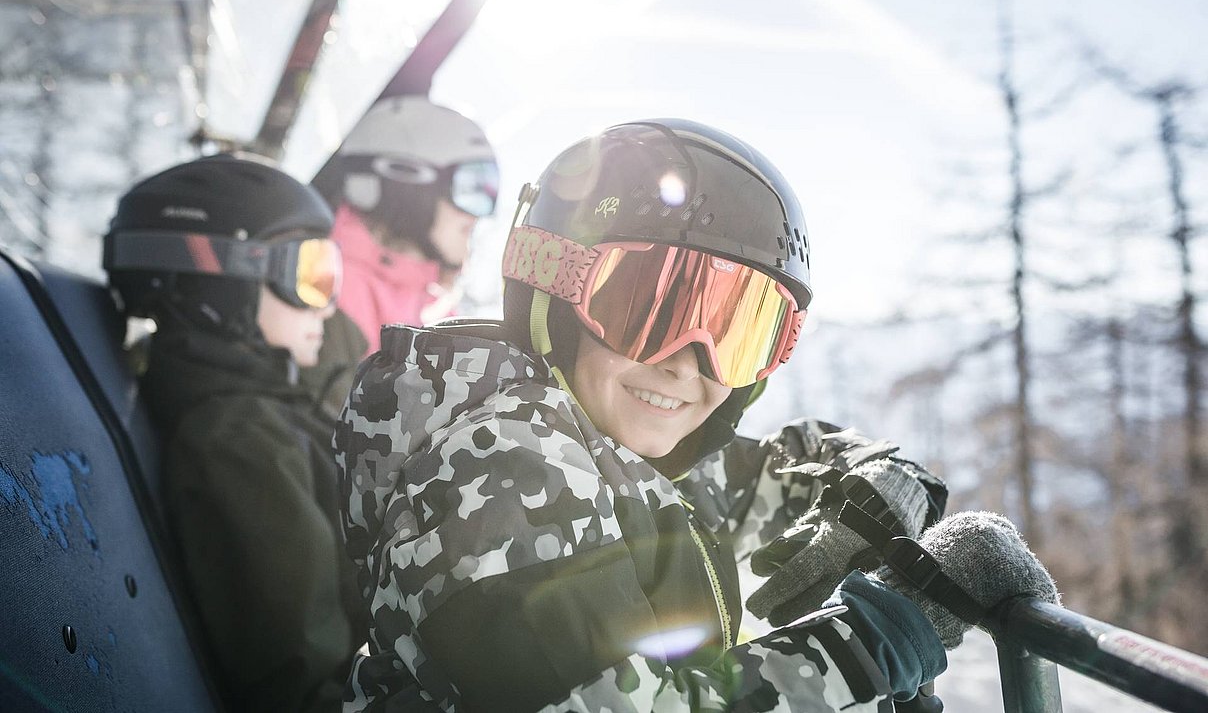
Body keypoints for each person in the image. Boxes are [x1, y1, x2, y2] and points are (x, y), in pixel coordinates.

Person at [333, 120, 1059, 711]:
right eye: (643, 309)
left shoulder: (623, 450)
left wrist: (881, 485)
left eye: (736, 333)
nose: (688, 360)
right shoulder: (499, 458)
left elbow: (779, 466)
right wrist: (890, 630)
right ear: (552, 291)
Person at [103, 153, 364, 712]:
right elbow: (303, 684)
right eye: (309, 274)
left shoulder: (275, 410)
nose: (327, 306)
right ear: (223, 282)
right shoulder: (238, 441)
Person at [300, 95, 501, 420]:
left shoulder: (433, 305)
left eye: (488, 191)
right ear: (408, 180)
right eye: (470, 187)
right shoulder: (327, 285)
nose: (476, 215)